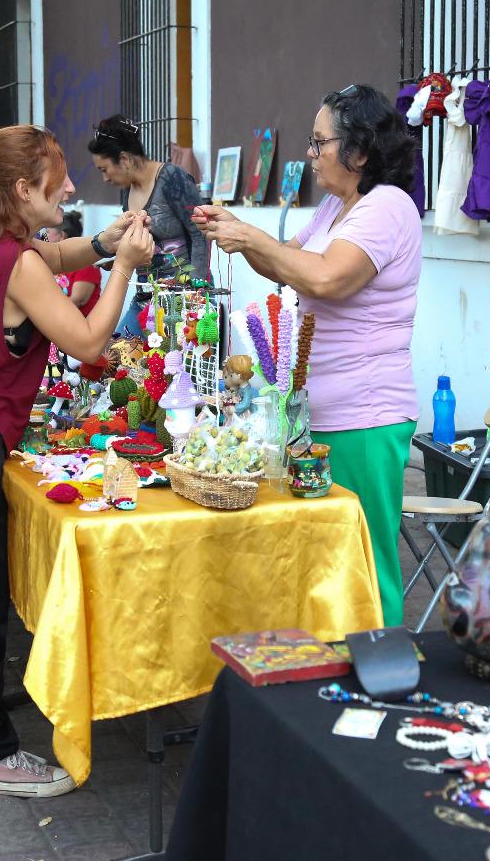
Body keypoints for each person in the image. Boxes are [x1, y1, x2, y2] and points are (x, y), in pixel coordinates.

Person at [0, 126, 152, 797]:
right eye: (58, 179)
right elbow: (92, 342)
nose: (71, 188)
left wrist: (101, 244)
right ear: (22, 190)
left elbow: (58, 251)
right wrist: (124, 264)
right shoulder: (19, 263)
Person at [193, 84, 422, 627]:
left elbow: (328, 278)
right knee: (325, 559)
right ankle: (336, 670)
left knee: (364, 562)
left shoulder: (386, 207)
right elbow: (287, 264)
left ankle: (383, 678)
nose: (311, 154)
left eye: (320, 143)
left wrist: (249, 234)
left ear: (360, 151)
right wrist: (239, 236)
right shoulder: (333, 209)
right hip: (317, 413)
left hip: (364, 415)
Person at [88, 115, 208, 334]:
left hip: (182, 297)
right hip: (145, 295)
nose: (105, 179)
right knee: (119, 354)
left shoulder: (172, 178)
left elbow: (200, 234)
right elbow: (148, 244)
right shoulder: (126, 190)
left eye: (104, 169)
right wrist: (119, 259)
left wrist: (195, 294)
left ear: (124, 159)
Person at [56, 210, 100, 314]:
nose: (44, 236)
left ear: (62, 235)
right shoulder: (54, 260)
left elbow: (78, 300)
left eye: (47, 232)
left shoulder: (85, 263)